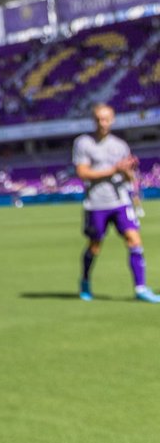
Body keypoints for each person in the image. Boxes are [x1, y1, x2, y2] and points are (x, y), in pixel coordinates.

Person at [75, 102, 160, 303]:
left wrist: (128, 171)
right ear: (93, 120)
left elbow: (128, 176)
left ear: (112, 120)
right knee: (95, 246)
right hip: (96, 203)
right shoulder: (84, 143)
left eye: (105, 119)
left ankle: (140, 288)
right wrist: (114, 170)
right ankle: (85, 281)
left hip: (119, 201)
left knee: (134, 240)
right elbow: (83, 173)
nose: (102, 123)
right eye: (98, 119)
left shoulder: (120, 146)